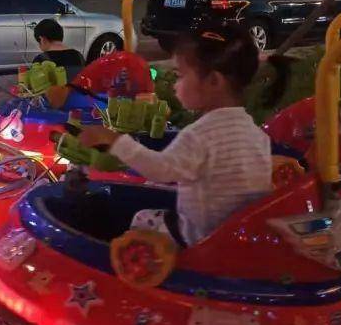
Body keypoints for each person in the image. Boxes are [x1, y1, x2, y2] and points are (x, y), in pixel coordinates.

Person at [76, 27, 271, 247]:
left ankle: (124, 266)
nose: (175, 85)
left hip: (198, 237)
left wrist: (115, 141)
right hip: (237, 238)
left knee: (143, 217)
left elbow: (160, 170)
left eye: (180, 76)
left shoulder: (200, 136)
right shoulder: (257, 135)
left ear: (214, 81)